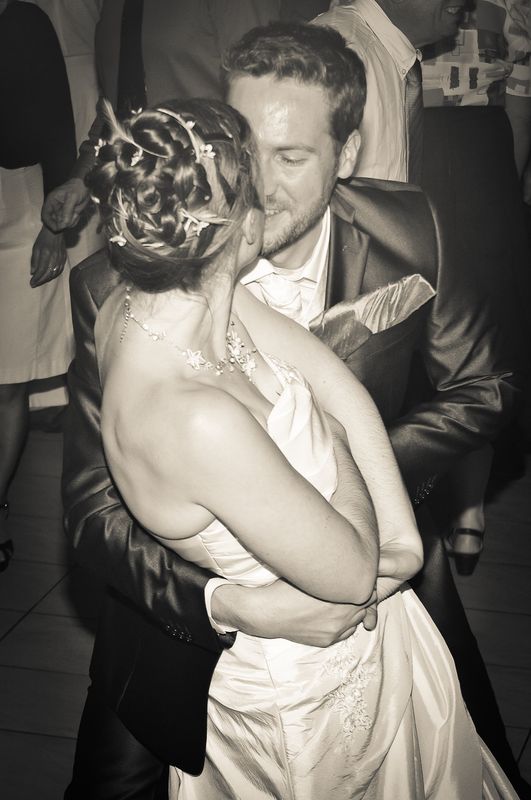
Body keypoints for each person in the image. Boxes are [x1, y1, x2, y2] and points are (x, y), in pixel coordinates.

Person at [61, 22, 519, 799]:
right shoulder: (113, 287)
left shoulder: (412, 229)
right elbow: (89, 509)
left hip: (379, 570)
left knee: (459, 744)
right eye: (247, 150)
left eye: (292, 157)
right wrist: (227, 604)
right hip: (182, 619)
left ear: (346, 154)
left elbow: (488, 386)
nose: (260, 185)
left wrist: (371, 497)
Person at [421, 0, 531, 574]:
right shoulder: (512, 7)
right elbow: (520, 112)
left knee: (413, 323)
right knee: (479, 337)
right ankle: (468, 516)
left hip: (417, 151)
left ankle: (407, 497)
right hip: (484, 162)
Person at [0, 0, 76, 570]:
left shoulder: (24, 24)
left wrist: (53, 229)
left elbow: (56, 128)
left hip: (18, 202)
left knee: (6, 380)